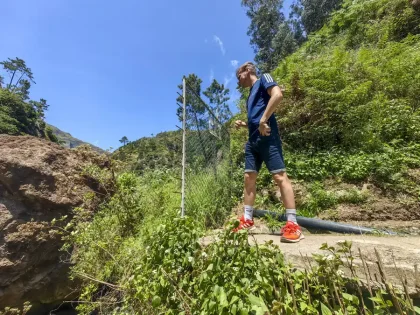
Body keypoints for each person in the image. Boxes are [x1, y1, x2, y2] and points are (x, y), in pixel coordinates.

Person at [233, 61, 304, 243]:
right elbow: (256, 118)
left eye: (238, 76)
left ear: (247, 71)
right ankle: (247, 220)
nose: (238, 81)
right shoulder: (250, 95)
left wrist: (264, 120)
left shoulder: (265, 78)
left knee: (280, 177)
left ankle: (293, 224)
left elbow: (277, 95)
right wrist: (246, 124)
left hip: (268, 138)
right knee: (249, 178)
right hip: (253, 141)